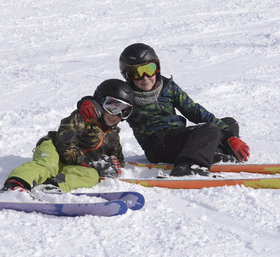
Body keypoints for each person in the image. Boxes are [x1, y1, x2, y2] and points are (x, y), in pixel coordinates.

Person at [77, 43, 250, 177]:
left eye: (149, 69)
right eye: (136, 73)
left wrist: (228, 134)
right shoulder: (128, 95)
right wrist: (87, 102)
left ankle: (212, 153)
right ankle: (188, 165)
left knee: (229, 123)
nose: (145, 77)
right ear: (127, 76)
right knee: (211, 130)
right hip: (157, 145)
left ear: (157, 68)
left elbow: (195, 112)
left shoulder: (167, 87)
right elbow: (102, 100)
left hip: (178, 136)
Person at [0, 79, 135, 194]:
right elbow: (65, 146)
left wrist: (108, 166)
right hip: (54, 149)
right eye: (113, 107)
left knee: (92, 175)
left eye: (124, 111)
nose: (116, 115)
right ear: (100, 102)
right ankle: (15, 184)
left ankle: (50, 185)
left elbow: (118, 159)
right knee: (48, 165)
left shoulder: (113, 134)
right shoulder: (81, 117)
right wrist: (88, 163)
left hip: (74, 164)